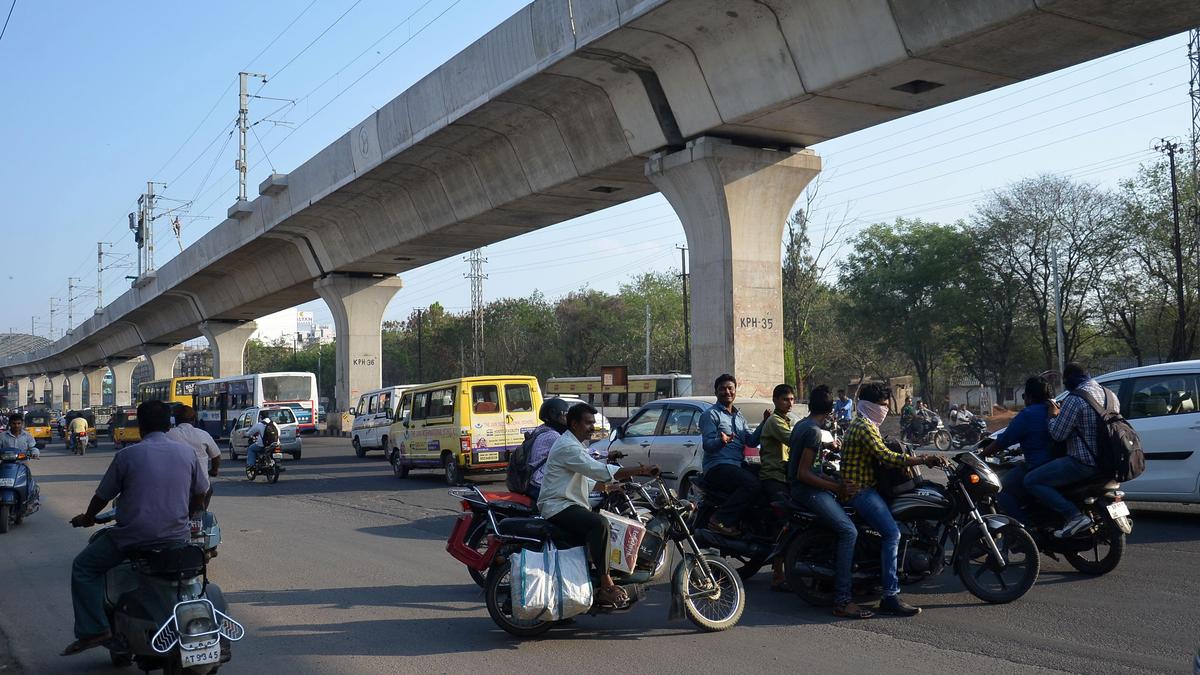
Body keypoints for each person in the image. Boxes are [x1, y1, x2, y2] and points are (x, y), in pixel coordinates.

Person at [62, 400, 208, 656]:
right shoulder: (187, 454)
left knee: (83, 568)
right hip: (177, 537)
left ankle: (94, 629)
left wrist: (87, 517)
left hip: (131, 538)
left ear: (140, 426)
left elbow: (103, 495)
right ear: (168, 425)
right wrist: (187, 515)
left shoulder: (127, 456)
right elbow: (201, 491)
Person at [537, 403, 657, 608]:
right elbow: (597, 470)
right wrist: (642, 469)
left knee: (604, 520)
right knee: (599, 524)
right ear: (573, 423)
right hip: (558, 505)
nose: (592, 427)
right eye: (588, 423)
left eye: (593, 423)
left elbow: (585, 478)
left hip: (568, 502)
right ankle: (605, 583)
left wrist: (611, 488)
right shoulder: (568, 446)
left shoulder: (574, 444)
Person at [840, 382, 943, 617]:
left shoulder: (866, 423)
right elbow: (885, 456)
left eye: (887, 404)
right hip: (861, 492)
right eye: (882, 404)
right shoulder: (864, 426)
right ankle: (890, 595)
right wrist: (923, 459)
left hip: (867, 488)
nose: (885, 409)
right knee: (892, 533)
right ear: (868, 405)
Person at [787, 385, 872, 619]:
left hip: (804, 488)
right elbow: (804, 473)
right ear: (831, 409)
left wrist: (835, 478)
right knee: (848, 531)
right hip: (807, 492)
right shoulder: (814, 432)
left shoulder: (801, 425)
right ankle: (842, 600)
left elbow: (809, 468)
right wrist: (838, 486)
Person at [1031, 362, 1112, 538]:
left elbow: (1058, 434)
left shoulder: (1075, 399)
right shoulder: (1109, 394)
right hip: (1108, 461)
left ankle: (1073, 515)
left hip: (1083, 463)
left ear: (1069, 379)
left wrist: (1053, 415)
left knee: (1032, 480)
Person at [979, 376, 1055, 523]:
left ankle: (1022, 530)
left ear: (1030, 397)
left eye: (1024, 396)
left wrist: (981, 455)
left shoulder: (1028, 415)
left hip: (1037, 466)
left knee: (1001, 489)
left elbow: (1003, 441)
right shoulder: (1054, 409)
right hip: (1057, 463)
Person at [697, 374, 763, 537]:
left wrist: (765, 423)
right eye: (722, 389)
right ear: (716, 392)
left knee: (767, 477)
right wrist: (722, 441)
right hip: (718, 466)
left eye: (730, 388)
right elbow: (708, 445)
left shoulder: (739, 416)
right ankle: (720, 519)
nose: (727, 392)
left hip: (737, 464)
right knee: (752, 484)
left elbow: (752, 441)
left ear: (735, 391)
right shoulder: (710, 415)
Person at [756, 383, 796, 591]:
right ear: (775, 401)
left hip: (785, 477)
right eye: (785, 399)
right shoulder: (774, 421)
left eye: (791, 399)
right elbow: (793, 439)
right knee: (785, 523)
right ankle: (778, 574)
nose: (789, 403)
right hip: (773, 477)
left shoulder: (787, 420)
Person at [166, 405, 221, 507]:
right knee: (208, 491)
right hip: (202, 488)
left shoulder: (168, 435)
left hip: (176, 487)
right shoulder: (203, 434)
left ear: (175, 420)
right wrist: (214, 470)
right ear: (194, 420)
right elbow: (216, 455)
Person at [524, 397, 571, 502]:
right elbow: (575, 452)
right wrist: (605, 455)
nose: (567, 419)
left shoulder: (541, 429)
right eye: (565, 415)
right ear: (554, 415)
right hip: (540, 486)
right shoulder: (552, 436)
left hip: (532, 483)